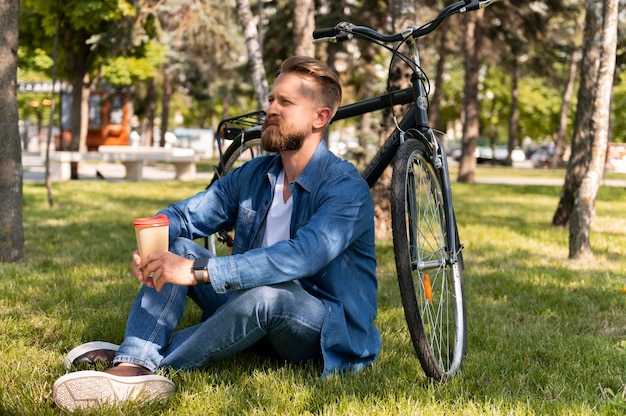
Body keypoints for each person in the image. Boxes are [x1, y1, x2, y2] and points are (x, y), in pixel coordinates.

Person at [52, 56, 381, 411]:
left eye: (285, 102)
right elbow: (185, 215)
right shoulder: (256, 174)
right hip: (250, 302)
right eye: (271, 99)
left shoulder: (345, 187)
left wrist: (199, 273)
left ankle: (147, 366)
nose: (271, 109)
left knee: (268, 297)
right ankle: (134, 360)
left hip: (319, 323)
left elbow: (302, 256)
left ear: (321, 117)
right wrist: (154, 245)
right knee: (177, 246)